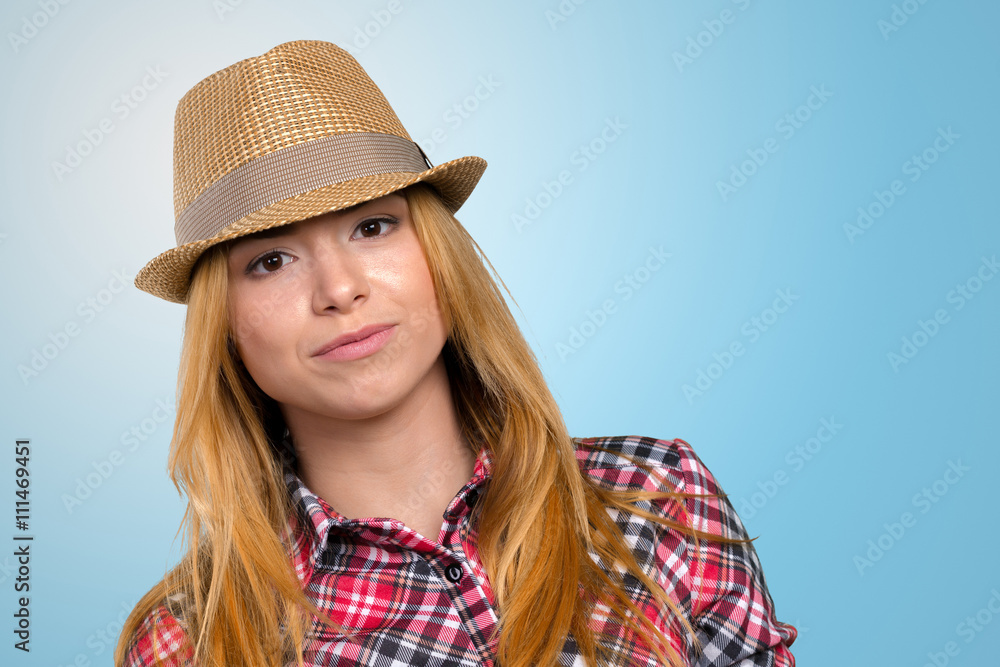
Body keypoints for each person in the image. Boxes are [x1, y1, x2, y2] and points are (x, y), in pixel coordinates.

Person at [115, 39, 797, 667]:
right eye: (269, 260)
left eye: (373, 225)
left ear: (438, 253)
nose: (340, 289)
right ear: (223, 325)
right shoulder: (191, 640)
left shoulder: (657, 500)